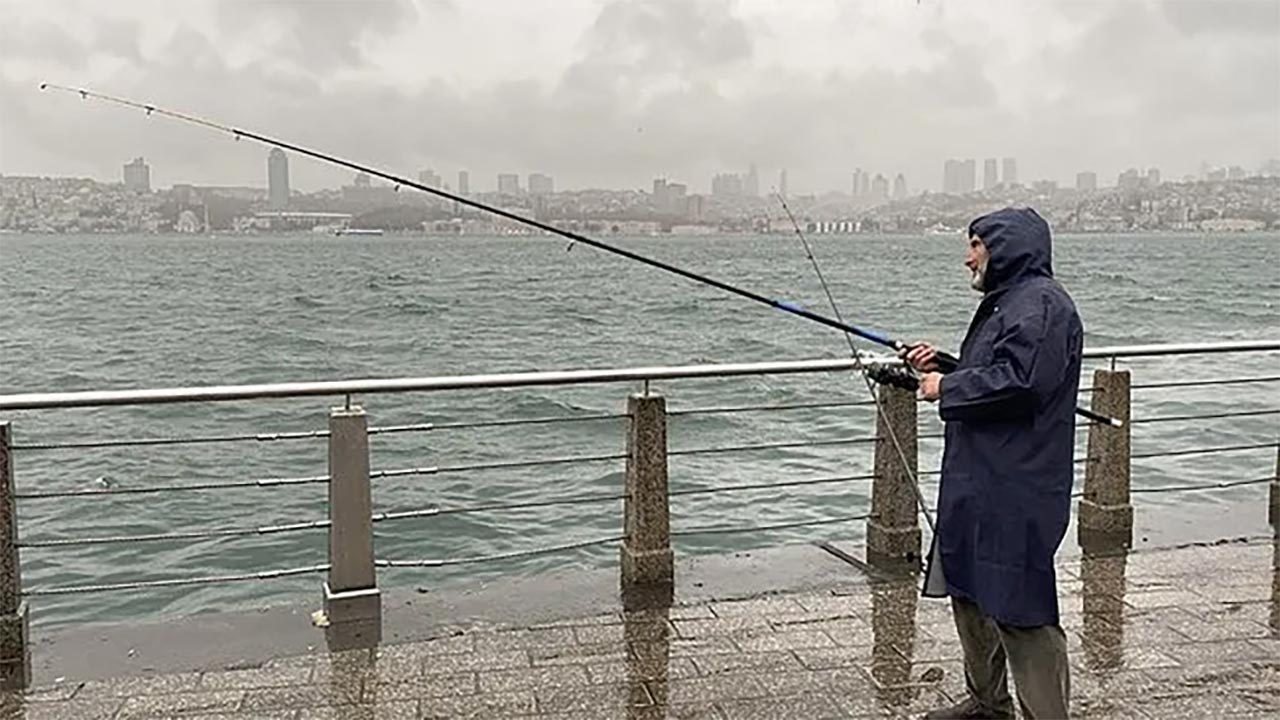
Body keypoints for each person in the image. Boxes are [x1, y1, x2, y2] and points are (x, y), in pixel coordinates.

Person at [902, 207, 1082, 720]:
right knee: (970, 593)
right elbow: (1000, 371)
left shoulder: (1042, 305)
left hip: (1016, 484)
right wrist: (946, 365)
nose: (967, 258)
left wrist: (947, 387)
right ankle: (987, 704)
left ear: (1007, 248)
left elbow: (1024, 385)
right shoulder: (1009, 304)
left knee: (1021, 608)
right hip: (976, 479)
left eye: (976, 245)